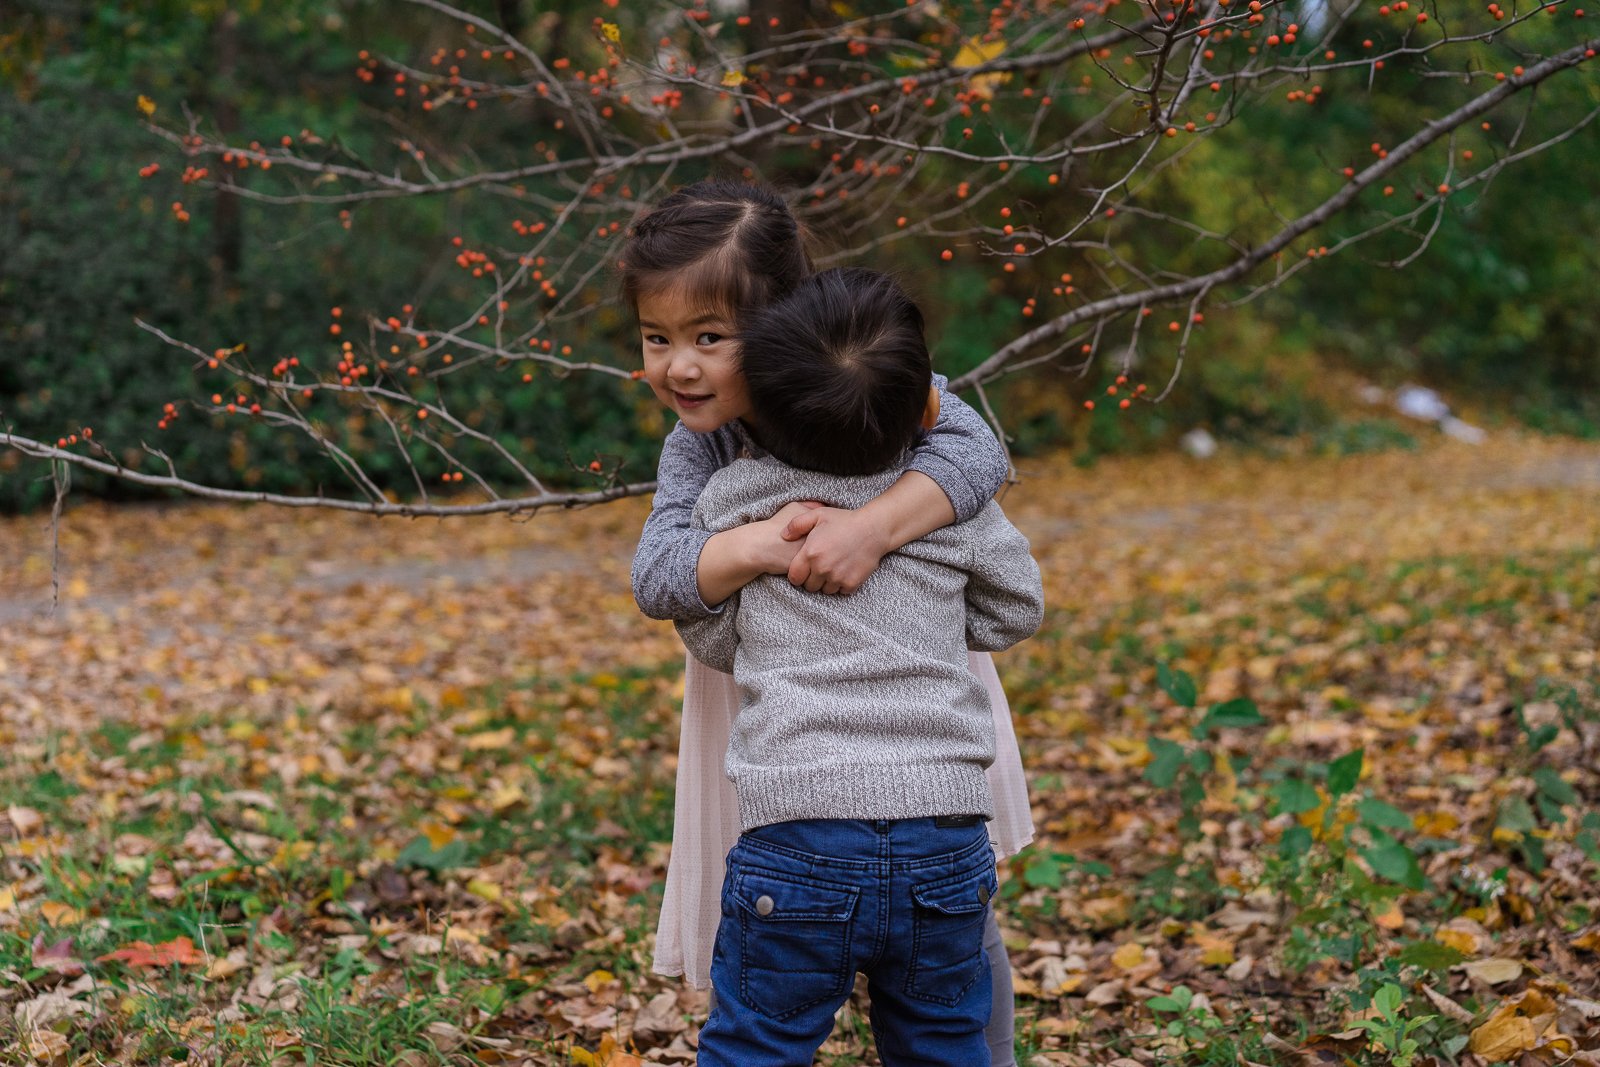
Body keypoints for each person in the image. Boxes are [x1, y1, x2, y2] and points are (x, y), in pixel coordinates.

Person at [623, 179, 1033, 1064]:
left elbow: (979, 449)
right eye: (657, 339)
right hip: (773, 705)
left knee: (958, 931)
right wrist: (760, 547)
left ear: (778, 325)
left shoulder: (880, 379)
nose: (677, 368)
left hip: (916, 691)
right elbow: (659, 575)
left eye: (708, 339)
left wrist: (870, 529)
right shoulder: (702, 448)